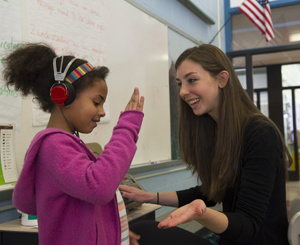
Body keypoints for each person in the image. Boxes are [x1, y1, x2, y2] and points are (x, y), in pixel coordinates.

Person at [119, 44, 292, 245]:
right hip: (229, 240)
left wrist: (199, 213)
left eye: (191, 80)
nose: (183, 91)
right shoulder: (219, 130)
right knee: (142, 231)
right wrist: (148, 197)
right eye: (179, 83)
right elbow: (210, 192)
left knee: (144, 233)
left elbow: (247, 226)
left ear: (222, 79)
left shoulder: (260, 133)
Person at [3, 43, 144, 245]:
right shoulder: (53, 146)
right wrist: (127, 129)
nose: (102, 112)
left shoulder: (67, 145)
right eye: (96, 102)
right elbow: (99, 186)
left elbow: (87, 209)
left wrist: (113, 231)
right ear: (62, 96)